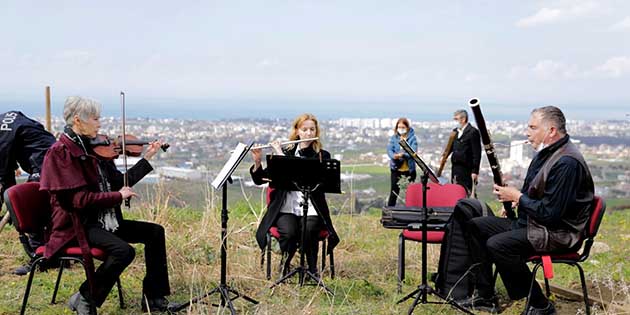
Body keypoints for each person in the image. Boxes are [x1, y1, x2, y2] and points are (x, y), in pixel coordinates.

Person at [447, 106, 594, 315]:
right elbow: (541, 196)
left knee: (498, 245)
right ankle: (486, 296)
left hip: (556, 232)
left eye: (533, 127)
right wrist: (517, 202)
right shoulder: (546, 153)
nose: (527, 132)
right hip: (536, 224)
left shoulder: (567, 162)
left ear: (551, 131)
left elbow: (551, 214)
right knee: (474, 227)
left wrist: (518, 198)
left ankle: (540, 304)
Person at [39, 96, 171, 315]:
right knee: (123, 251)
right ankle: (86, 297)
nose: (100, 124)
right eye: (96, 118)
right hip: (78, 225)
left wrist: (146, 159)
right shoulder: (61, 154)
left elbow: (119, 183)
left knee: (155, 233)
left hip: (102, 221)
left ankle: (154, 298)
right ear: (78, 121)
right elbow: (78, 201)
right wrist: (117, 197)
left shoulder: (94, 150)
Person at [250, 113, 340, 277]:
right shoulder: (286, 151)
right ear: (297, 131)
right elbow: (260, 179)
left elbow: (308, 172)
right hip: (286, 208)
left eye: (312, 129)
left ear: (316, 132)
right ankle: (285, 266)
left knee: (309, 230)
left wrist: (281, 155)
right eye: (304, 129)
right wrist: (258, 161)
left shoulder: (321, 155)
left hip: (312, 208)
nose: (308, 133)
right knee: (290, 232)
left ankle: (311, 269)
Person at [0, 110, 56, 275]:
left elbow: (4, 177)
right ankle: (54, 254)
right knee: (48, 211)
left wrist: (10, 205)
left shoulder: (1, 136)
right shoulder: (8, 118)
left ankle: (39, 260)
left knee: (30, 209)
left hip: (44, 164)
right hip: (54, 156)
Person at [386, 118, 417, 206]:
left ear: (407, 127)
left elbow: (413, 152)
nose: (401, 129)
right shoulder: (394, 138)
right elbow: (389, 149)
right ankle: (390, 211)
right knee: (394, 192)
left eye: (403, 127)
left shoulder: (412, 138)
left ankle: (412, 211)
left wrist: (403, 155)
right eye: (399, 127)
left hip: (409, 170)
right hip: (396, 169)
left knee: (411, 194)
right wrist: (394, 156)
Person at [450, 109, 481, 194]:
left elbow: (477, 153)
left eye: (456, 119)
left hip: (467, 169)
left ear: (463, 119)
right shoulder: (455, 132)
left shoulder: (472, 132)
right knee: (455, 192)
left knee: (466, 192)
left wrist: (475, 171)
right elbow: (452, 147)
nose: (455, 121)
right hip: (455, 169)